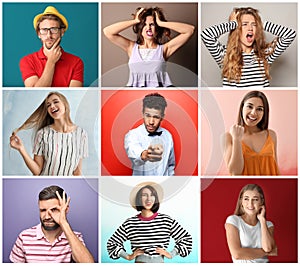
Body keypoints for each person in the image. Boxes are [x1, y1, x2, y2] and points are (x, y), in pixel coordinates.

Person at [201, 7, 296, 87]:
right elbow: (206, 35)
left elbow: (290, 34)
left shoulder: (265, 55)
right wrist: (233, 24)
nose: (250, 28)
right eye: (244, 24)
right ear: (236, 29)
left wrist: (260, 24)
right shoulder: (225, 55)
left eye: (254, 24)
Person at [103, 7, 194, 87]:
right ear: (140, 28)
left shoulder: (165, 49)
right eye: (144, 24)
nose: (148, 28)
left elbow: (190, 30)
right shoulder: (131, 47)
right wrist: (135, 21)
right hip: (134, 99)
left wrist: (161, 23)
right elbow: (108, 32)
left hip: (158, 101)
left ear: (157, 29)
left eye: (152, 24)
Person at [107, 182, 192, 263]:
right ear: (139, 199)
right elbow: (112, 243)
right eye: (144, 195)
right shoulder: (130, 223)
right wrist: (128, 256)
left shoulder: (166, 221)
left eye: (152, 195)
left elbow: (186, 239)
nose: (149, 199)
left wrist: (171, 254)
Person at [9, 91, 88, 176]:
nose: (52, 106)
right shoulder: (42, 134)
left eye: (56, 102)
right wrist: (21, 149)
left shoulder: (82, 134)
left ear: (65, 104)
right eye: (48, 105)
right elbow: (37, 171)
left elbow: (77, 172)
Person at [10, 185, 94, 263]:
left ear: (66, 209)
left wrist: (63, 223)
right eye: (43, 210)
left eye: (54, 210)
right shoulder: (24, 237)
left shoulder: (74, 238)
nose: (47, 217)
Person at [20, 6, 84, 87]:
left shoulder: (76, 62)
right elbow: (34, 92)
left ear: (62, 32)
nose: (49, 35)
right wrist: (51, 61)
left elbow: (76, 95)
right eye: (44, 30)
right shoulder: (27, 61)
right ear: (39, 34)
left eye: (54, 30)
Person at [223, 91, 279, 175]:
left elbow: (275, 169)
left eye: (259, 109)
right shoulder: (228, 137)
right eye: (250, 106)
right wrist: (236, 139)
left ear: (264, 113)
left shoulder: (271, 135)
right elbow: (235, 172)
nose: (253, 113)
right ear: (242, 107)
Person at [124, 93, 175, 175]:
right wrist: (146, 154)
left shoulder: (168, 135)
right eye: (148, 116)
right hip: (142, 185)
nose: (151, 122)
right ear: (143, 113)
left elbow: (171, 165)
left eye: (156, 117)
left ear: (162, 117)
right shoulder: (132, 135)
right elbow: (134, 152)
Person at [225, 184, 277, 263]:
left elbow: (267, 248)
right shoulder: (233, 221)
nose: (250, 204)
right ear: (241, 201)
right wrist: (267, 252)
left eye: (255, 199)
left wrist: (262, 221)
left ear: (261, 202)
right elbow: (237, 254)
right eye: (246, 199)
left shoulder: (268, 225)